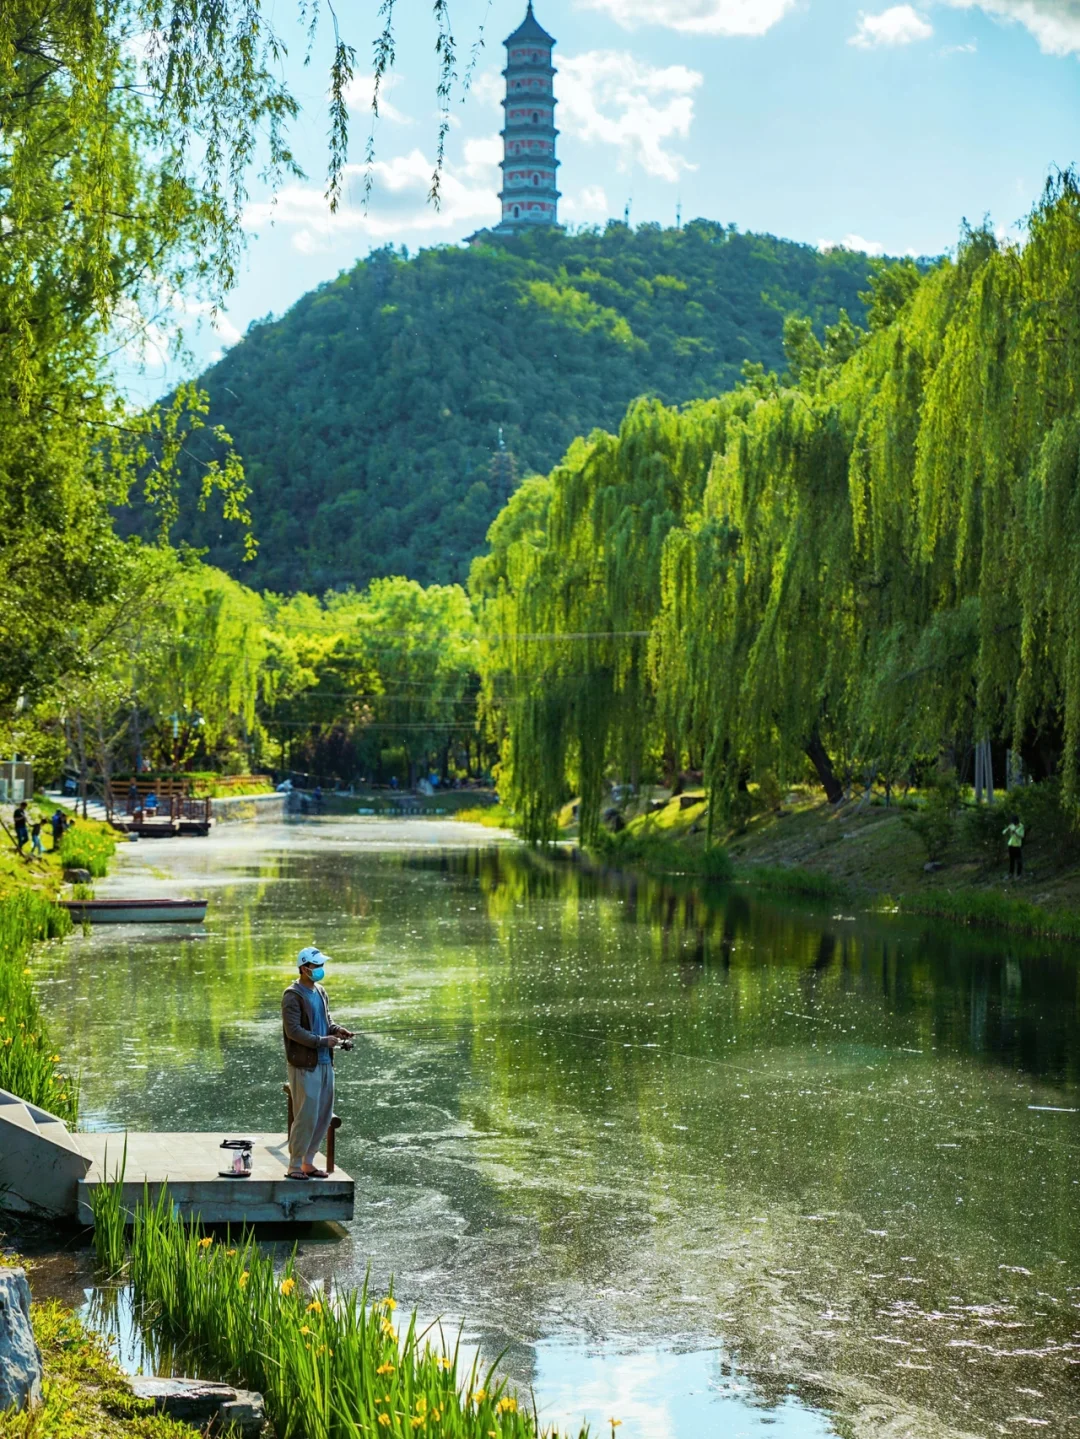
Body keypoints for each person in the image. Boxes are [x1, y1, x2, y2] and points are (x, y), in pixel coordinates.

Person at [281, 946, 354, 1179]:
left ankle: (308, 1163)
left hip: (325, 1063)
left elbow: (326, 1021)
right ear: (304, 968)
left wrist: (337, 1030)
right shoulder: (292, 995)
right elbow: (293, 1031)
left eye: (322, 965)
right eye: (317, 966)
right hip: (304, 1065)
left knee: (323, 1115)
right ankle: (294, 1165)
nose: (321, 969)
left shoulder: (321, 991)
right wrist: (322, 1041)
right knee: (306, 1116)